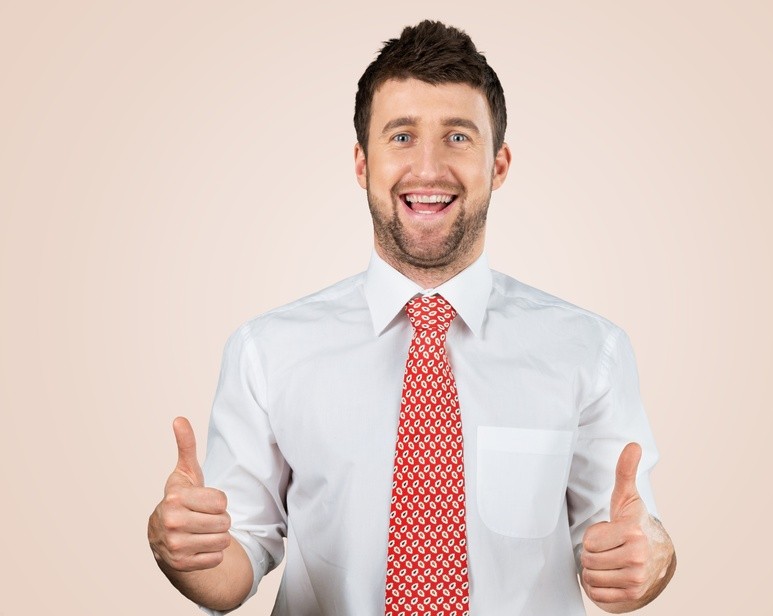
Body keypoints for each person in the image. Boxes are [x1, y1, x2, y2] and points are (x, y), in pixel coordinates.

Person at [148, 20, 676, 616]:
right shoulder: (265, 352)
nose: (427, 169)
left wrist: (647, 559)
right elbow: (233, 564)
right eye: (401, 137)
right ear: (360, 162)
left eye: (457, 137)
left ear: (498, 165)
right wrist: (187, 551)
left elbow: (628, 538)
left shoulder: (590, 350)